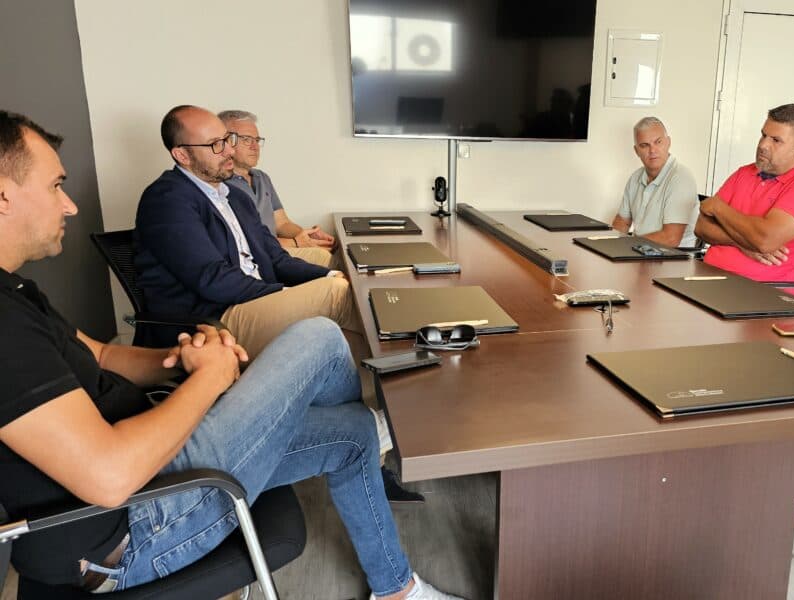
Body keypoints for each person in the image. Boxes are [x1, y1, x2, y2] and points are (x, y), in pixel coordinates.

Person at [0, 110, 460, 599]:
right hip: (136, 525)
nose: (70, 205)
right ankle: (410, 411)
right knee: (320, 337)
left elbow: (102, 356)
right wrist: (210, 378)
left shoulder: (19, 293)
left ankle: (396, 589)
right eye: (55, 186)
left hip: (157, 458)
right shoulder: (5, 325)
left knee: (355, 431)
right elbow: (110, 479)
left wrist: (181, 359)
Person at [134, 105, 353, 357]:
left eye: (227, 140)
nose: (229, 150)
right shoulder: (167, 200)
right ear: (182, 155)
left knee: (345, 289)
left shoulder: (235, 198)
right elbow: (212, 278)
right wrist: (285, 293)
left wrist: (330, 274)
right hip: (213, 321)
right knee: (338, 295)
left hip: (250, 299)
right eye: (216, 145)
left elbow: (276, 258)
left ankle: (372, 376)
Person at [694, 104, 794, 292]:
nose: (763, 145)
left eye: (776, 140)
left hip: (762, 294)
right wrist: (742, 243)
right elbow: (702, 227)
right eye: (763, 135)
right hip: (709, 280)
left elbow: (765, 240)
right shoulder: (745, 173)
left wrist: (718, 208)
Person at [218, 109, 336, 268]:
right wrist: (294, 242)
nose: (255, 146)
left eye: (257, 140)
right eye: (246, 139)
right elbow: (244, 242)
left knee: (334, 252)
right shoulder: (220, 185)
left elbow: (282, 223)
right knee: (325, 258)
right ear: (226, 141)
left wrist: (307, 235)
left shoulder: (262, 177)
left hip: (278, 251)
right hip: (257, 259)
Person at [612, 116, 701, 248]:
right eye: (644, 145)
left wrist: (627, 245)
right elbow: (622, 221)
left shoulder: (681, 178)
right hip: (639, 250)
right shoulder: (635, 177)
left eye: (658, 142)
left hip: (672, 256)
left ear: (668, 142)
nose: (652, 151)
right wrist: (612, 245)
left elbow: (671, 238)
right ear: (637, 151)